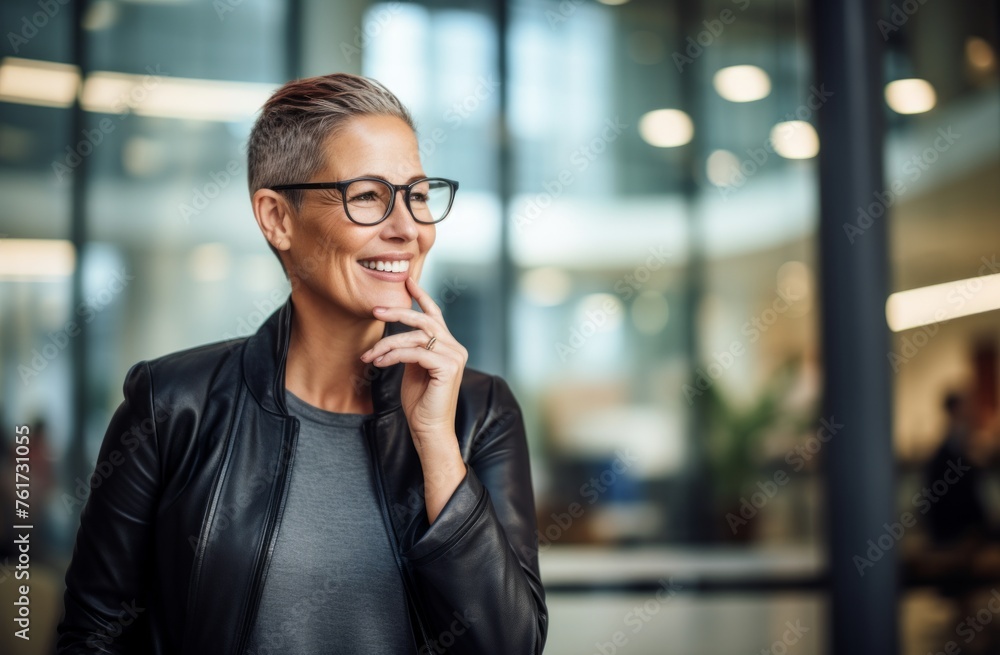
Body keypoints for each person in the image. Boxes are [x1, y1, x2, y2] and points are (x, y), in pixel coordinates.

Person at [55, 73, 547, 654]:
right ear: (277, 219)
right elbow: (92, 639)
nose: (407, 228)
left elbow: (510, 647)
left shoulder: (479, 410)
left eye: (417, 195)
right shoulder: (171, 405)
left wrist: (437, 442)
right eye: (367, 196)